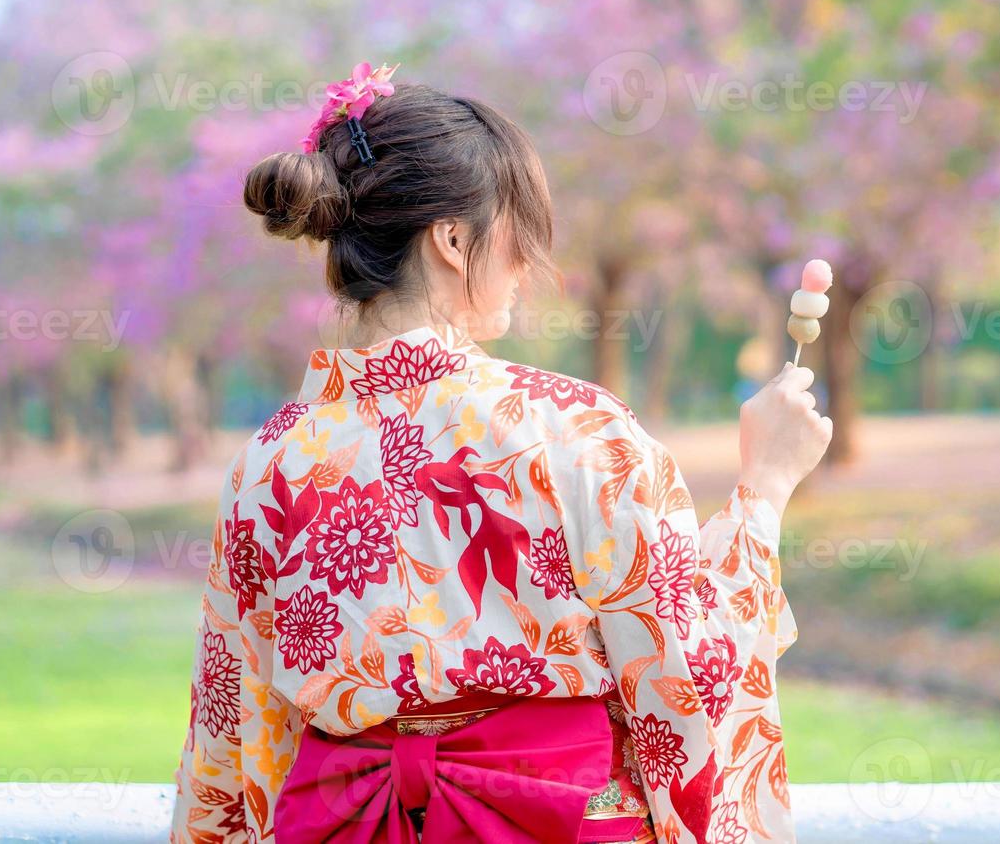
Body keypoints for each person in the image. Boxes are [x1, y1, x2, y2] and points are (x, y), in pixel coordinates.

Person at [169, 63, 832, 843]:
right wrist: (766, 485)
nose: (528, 263)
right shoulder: (577, 433)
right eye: (517, 229)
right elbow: (691, 679)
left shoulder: (268, 466)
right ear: (453, 239)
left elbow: (233, 732)